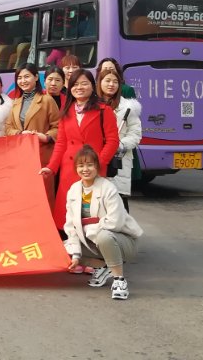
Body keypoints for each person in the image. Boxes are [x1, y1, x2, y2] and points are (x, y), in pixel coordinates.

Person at [40, 69, 119, 231]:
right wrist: (51, 167)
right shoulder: (66, 111)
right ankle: (69, 241)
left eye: (84, 83)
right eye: (75, 84)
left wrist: (98, 164)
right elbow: (61, 143)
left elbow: (112, 141)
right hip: (69, 168)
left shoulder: (104, 110)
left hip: (93, 168)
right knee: (67, 212)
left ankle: (91, 241)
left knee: (91, 212)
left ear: (92, 86)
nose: (79, 88)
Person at [64, 145, 143, 300]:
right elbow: (71, 226)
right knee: (63, 249)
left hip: (122, 242)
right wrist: (76, 255)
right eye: (81, 165)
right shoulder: (73, 190)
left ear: (97, 167)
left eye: (90, 165)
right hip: (94, 240)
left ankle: (119, 280)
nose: (85, 169)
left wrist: (88, 230)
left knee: (104, 236)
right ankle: (104, 266)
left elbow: (115, 222)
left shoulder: (108, 188)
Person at [5, 63, 60, 203]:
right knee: (25, 195)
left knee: (44, 195)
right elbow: (8, 127)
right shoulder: (16, 102)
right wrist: (20, 133)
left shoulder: (47, 100)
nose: (23, 81)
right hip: (21, 156)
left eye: (26, 76)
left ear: (36, 77)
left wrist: (46, 137)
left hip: (42, 154)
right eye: (19, 78)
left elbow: (58, 127)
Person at [97, 68, 143, 209]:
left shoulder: (128, 107)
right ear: (99, 82)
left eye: (115, 82)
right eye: (107, 81)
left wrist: (120, 145)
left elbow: (135, 134)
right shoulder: (92, 105)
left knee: (118, 203)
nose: (111, 84)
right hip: (97, 156)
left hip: (119, 159)